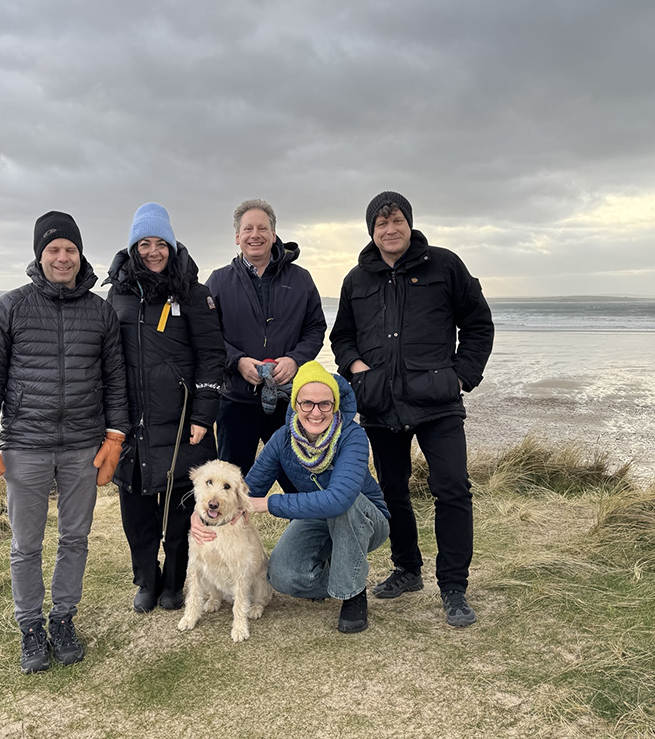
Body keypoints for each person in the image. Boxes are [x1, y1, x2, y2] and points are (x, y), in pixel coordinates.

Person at [0, 210, 129, 673]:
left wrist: (115, 438)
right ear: (40, 255)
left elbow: (115, 380)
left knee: (75, 538)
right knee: (26, 544)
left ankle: (63, 619)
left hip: (82, 445)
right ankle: (31, 627)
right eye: (53, 250)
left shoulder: (100, 312)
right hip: (26, 446)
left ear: (80, 255)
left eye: (70, 250)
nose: (62, 258)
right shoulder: (10, 307)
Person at [330, 191, 494, 627]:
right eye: (381, 224)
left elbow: (478, 323)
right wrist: (359, 370)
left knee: (453, 488)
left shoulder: (445, 265)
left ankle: (454, 588)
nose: (390, 229)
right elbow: (341, 337)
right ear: (372, 230)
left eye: (396, 220)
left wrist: (460, 376)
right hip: (381, 404)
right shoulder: (357, 279)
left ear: (409, 222)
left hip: (438, 402)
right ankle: (407, 569)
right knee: (393, 491)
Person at [193, 361, 390, 633]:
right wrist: (204, 512)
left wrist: (269, 504)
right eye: (307, 403)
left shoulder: (352, 436)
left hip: (365, 518)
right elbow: (249, 489)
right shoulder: (282, 438)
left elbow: (340, 499)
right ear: (296, 404)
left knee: (344, 505)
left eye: (325, 404)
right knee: (282, 577)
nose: (316, 412)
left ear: (334, 405)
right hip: (317, 516)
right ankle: (343, 572)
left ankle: (352, 593)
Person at [105, 203, 225, 614]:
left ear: (172, 247)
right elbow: (106, 357)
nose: (153, 251)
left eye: (161, 244)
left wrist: (202, 416)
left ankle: (175, 581)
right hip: (131, 423)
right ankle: (146, 579)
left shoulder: (194, 292)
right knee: (137, 514)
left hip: (181, 425)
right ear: (133, 247)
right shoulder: (118, 292)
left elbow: (212, 356)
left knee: (179, 512)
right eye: (145, 243)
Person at [206, 198, 327, 493]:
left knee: (302, 486)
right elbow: (208, 337)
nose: (255, 235)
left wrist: (295, 360)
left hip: (288, 403)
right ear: (237, 237)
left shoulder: (301, 280)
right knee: (230, 492)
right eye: (248, 229)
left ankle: (311, 537)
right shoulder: (218, 281)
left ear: (274, 234)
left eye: (263, 228)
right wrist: (237, 361)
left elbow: (315, 328)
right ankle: (230, 541)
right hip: (235, 402)